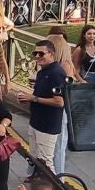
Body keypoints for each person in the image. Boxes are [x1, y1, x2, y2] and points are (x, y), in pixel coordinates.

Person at [19, 39, 67, 168]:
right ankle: (37, 182)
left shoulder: (56, 73)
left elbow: (59, 101)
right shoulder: (42, 72)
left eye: (41, 54)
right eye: (35, 53)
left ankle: (52, 186)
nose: (38, 57)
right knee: (35, 157)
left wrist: (33, 98)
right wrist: (29, 98)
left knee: (46, 161)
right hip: (36, 121)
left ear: (51, 54)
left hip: (48, 124)